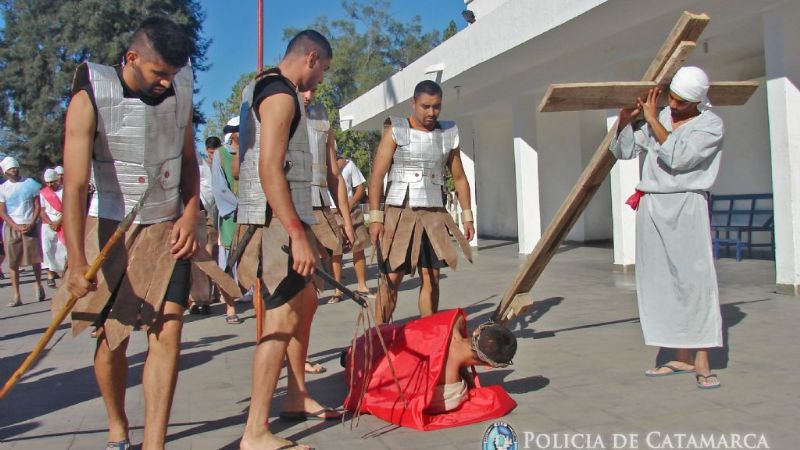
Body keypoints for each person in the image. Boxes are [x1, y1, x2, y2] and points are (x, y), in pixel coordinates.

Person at [56, 17, 236, 448]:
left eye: (172, 75)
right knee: (111, 338)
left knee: (168, 331)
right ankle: (118, 426)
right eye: (159, 73)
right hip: (110, 228)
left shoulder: (180, 88)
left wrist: (190, 214)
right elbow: (76, 185)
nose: (166, 83)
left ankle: (155, 442)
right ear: (131, 58)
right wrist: (77, 261)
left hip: (167, 225)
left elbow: (188, 160)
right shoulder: (90, 95)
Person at [236, 30, 338, 450]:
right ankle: (254, 431)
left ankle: (295, 397)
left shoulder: (271, 88)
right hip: (274, 221)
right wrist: (296, 233)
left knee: (306, 303)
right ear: (310, 57)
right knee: (278, 322)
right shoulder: (278, 93)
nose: (321, 80)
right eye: (324, 70)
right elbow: (269, 169)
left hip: (289, 217)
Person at [610, 66, 724, 390]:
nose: (672, 106)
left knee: (695, 282)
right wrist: (625, 120)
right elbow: (625, 150)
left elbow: (680, 158)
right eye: (670, 98)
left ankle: (702, 359)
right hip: (653, 206)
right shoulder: (659, 117)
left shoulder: (710, 126)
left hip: (687, 206)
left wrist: (652, 120)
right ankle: (680, 355)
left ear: (697, 102)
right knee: (659, 282)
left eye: (680, 102)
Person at [368, 80, 475, 324]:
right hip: (399, 212)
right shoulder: (396, 129)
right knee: (392, 278)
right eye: (425, 106)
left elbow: (459, 178)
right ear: (413, 103)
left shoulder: (448, 133)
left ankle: (427, 334)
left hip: (434, 214)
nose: (431, 112)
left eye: (436, 107)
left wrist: (467, 215)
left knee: (432, 277)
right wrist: (376, 218)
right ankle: (379, 338)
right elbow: (377, 175)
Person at [343, 308, 517, 430]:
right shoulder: (453, 391)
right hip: (366, 376)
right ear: (488, 366)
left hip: (371, 343)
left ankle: (348, 356)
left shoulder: (454, 320)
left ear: (477, 331)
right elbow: (416, 402)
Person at [0, 156, 44, 305]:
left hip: (29, 224)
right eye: (11, 169)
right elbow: (2, 212)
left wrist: (32, 222)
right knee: (13, 262)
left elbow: (37, 206)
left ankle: (38, 285)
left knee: (35, 259)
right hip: (13, 227)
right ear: (6, 172)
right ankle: (16, 295)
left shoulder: (30, 183)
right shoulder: (3, 188)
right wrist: (15, 226)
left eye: (16, 167)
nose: (14, 170)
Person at [328, 154, 372, 303]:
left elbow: (360, 188)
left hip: (351, 211)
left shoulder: (348, 164)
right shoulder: (321, 166)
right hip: (331, 211)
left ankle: (362, 286)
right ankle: (338, 290)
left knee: (358, 248)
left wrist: (351, 202)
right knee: (336, 251)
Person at [212, 118, 240, 271]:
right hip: (231, 212)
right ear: (233, 134)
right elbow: (219, 187)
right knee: (230, 249)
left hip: (250, 211)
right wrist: (236, 205)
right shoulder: (221, 154)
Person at [39, 167, 67, 287]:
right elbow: (41, 210)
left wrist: (59, 222)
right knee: (48, 250)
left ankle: (63, 275)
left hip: (62, 223)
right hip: (48, 225)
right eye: (48, 182)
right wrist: (51, 223)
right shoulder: (43, 193)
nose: (50, 184)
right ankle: (50, 273)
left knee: (63, 250)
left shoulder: (64, 191)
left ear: (57, 180)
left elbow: (68, 208)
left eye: (52, 182)